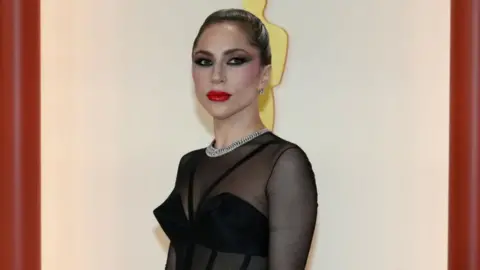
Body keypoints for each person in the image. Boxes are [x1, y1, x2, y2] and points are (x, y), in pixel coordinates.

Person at [153, 8, 318, 270]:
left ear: (264, 75)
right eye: (204, 61)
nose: (216, 76)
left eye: (235, 60)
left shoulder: (283, 164)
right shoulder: (190, 164)